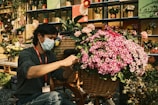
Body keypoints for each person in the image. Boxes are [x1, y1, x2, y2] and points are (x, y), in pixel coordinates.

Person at [15, 23, 78, 105]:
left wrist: (71, 67)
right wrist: (62, 62)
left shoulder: (49, 55)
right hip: (27, 99)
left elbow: (62, 76)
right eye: (50, 38)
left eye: (54, 39)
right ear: (39, 36)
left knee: (68, 102)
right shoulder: (26, 54)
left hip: (44, 96)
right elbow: (29, 72)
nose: (52, 41)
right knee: (54, 97)